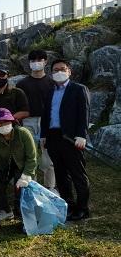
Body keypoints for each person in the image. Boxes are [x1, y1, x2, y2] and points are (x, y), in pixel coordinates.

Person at [40, 59, 91, 221]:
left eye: (63, 69)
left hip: (71, 138)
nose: (59, 72)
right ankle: (69, 205)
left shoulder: (78, 89)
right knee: (61, 174)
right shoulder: (50, 91)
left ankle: (82, 208)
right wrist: (43, 135)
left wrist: (82, 135)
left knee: (78, 174)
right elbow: (45, 115)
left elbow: (84, 113)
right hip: (53, 137)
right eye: (55, 70)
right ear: (51, 73)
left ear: (69, 71)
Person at [0, 108, 37, 221]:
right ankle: (5, 210)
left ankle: (22, 212)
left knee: (21, 185)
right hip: (4, 166)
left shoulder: (23, 133)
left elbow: (32, 158)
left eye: (5, 122)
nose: (2, 125)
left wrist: (26, 175)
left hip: (23, 166)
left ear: (12, 122)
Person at [16, 49, 56, 190]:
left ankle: (50, 188)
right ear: (29, 63)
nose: (36, 63)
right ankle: (32, 188)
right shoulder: (22, 84)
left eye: (40, 60)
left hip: (48, 122)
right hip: (28, 121)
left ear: (45, 62)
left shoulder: (52, 83)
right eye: (33, 60)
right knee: (30, 156)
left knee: (48, 158)